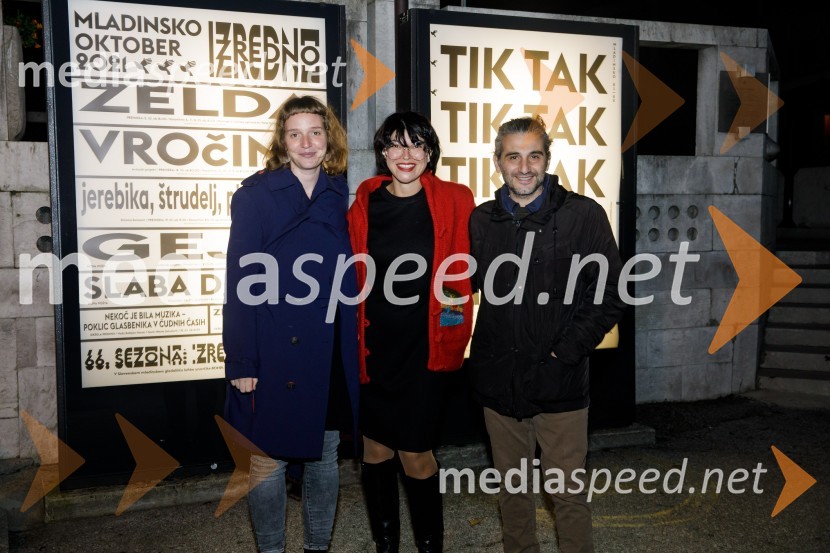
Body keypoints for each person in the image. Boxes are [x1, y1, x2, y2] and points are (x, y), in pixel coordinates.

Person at [467, 116, 626, 553]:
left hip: (562, 382)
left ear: (547, 159)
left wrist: (563, 357)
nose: (524, 166)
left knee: (568, 495)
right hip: (499, 383)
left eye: (533, 155)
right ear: (497, 161)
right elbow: (462, 289)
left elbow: (611, 293)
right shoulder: (482, 220)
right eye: (513, 156)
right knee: (512, 493)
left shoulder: (582, 215)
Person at [223, 95, 359, 553]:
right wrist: (241, 359)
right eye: (295, 133)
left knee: (324, 456)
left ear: (329, 138)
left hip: (326, 344)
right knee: (266, 460)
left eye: (316, 132)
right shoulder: (255, 195)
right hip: (271, 344)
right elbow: (240, 280)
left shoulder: (337, 191)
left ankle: (318, 547)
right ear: (282, 141)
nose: (307, 142)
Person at [347, 111, 476, 553]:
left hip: (426, 350)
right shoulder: (365, 201)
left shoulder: (456, 198)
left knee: (417, 453)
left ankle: (428, 548)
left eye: (417, 144)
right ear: (383, 152)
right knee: (375, 450)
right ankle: (386, 545)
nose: (407, 154)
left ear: (429, 153)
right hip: (374, 347)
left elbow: (474, 263)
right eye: (397, 145)